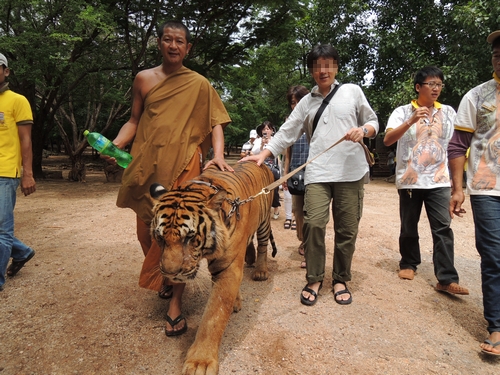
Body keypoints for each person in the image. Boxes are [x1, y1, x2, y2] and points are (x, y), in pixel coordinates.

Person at [109, 21, 232, 336]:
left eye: (180, 41)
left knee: (180, 233)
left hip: (185, 165)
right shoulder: (144, 79)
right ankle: (166, 275)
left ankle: (175, 302)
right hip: (147, 165)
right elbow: (134, 120)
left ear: (188, 48)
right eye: (168, 40)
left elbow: (216, 121)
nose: (174, 45)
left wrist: (217, 155)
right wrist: (117, 144)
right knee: (147, 233)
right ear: (160, 44)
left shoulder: (199, 84)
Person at [242, 44, 379, 306]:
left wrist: (365, 130)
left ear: (336, 66)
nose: (322, 71)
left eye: (328, 64)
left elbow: (373, 121)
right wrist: (264, 154)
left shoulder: (352, 91)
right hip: (317, 172)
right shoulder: (307, 102)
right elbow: (287, 131)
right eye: (317, 66)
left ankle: (340, 278)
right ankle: (314, 277)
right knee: (314, 225)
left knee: (347, 229)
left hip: (350, 173)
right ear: (312, 71)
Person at [383, 66, 469, 296]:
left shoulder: (449, 112)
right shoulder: (402, 111)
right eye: (431, 84)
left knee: (443, 228)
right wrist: (410, 121)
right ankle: (409, 264)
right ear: (418, 87)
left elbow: (456, 147)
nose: (436, 88)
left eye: (439, 84)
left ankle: (446, 278)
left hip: (439, 180)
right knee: (409, 226)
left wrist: (457, 186)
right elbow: (388, 139)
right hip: (410, 179)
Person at [448, 30, 500, 356]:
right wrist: (456, 189)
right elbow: (458, 145)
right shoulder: (478, 96)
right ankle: (496, 326)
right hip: (487, 187)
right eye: (497, 52)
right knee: (494, 256)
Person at [0, 52, 37, 292]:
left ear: (6, 71)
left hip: (5, 172)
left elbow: (26, 140)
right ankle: (22, 251)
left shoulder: (17, 100)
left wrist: (28, 173)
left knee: (2, 229)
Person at [282, 85, 310, 268]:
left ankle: (310, 248)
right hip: (295, 173)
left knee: (312, 214)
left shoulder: (316, 119)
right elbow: (288, 153)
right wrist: (285, 175)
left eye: (299, 100)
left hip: (315, 173)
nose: (296, 105)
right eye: (293, 102)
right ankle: (303, 239)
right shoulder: (289, 123)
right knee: (298, 212)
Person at [252, 121, 281, 219]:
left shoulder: (275, 140)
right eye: (264, 129)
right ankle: (265, 209)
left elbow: (278, 153)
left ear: (272, 131)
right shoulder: (258, 140)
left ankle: (276, 209)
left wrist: (269, 144)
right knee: (261, 189)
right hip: (261, 167)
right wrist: (261, 145)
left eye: (268, 129)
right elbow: (254, 152)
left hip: (272, 168)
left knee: (274, 189)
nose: (266, 131)